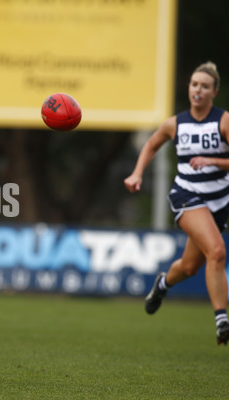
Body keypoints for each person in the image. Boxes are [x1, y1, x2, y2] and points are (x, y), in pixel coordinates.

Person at [124, 61, 229, 345]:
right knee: (217, 252)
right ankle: (222, 321)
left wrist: (214, 160)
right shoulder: (175, 123)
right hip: (186, 195)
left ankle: (162, 284)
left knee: (190, 266)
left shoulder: (224, 121)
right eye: (194, 84)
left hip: (218, 202)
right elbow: (152, 144)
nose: (198, 90)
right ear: (189, 88)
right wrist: (137, 173)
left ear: (214, 92)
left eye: (204, 86)